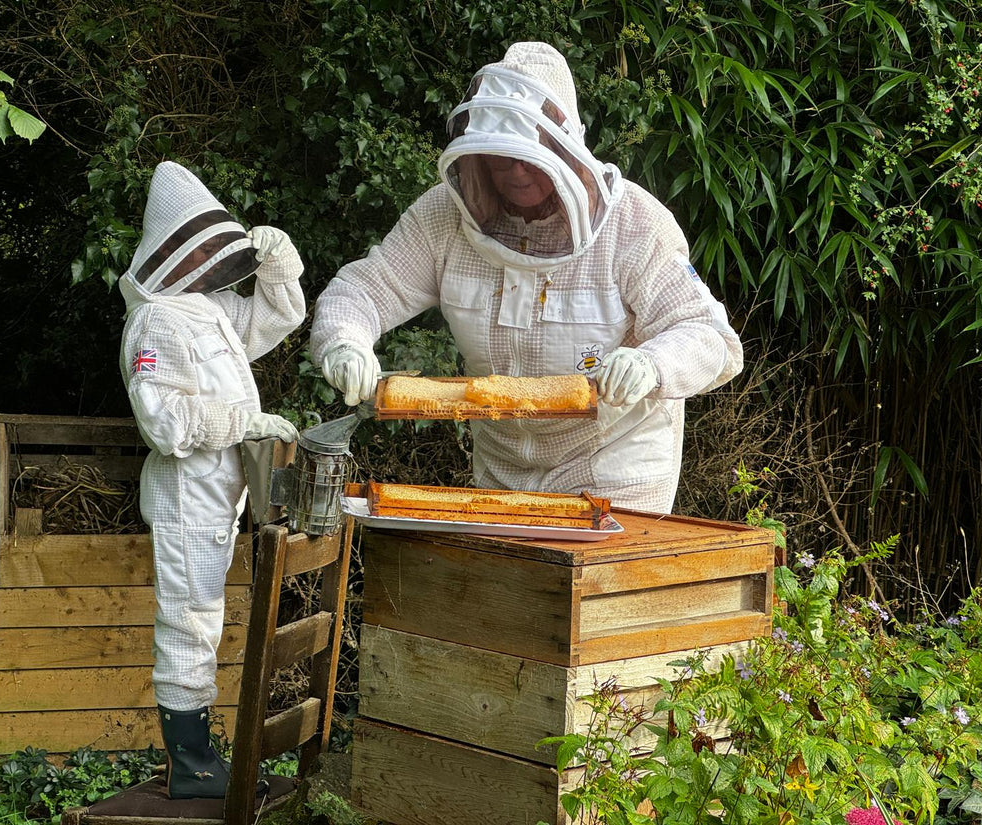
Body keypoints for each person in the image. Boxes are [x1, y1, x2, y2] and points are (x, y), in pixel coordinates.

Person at [309, 42, 743, 513]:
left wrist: (653, 364)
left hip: (616, 472)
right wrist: (343, 341)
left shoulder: (635, 224)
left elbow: (710, 336)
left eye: (530, 155)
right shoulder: (442, 218)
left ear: (565, 150)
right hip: (501, 471)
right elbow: (364, 290)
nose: (515, 172)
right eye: (500, 156)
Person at [118, 161, 305, 798]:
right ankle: (193, 765)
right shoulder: (153, 323)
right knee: (189, 621)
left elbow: (275, 320)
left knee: (205, 618)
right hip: (185, 497)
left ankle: (199, 754)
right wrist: (244, 420)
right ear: (178, 247)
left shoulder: (203, 311)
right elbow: (163, 421)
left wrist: (279, 269)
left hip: (216, 498)